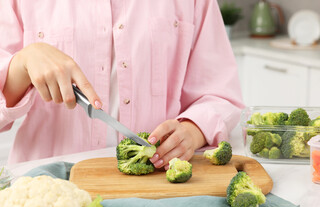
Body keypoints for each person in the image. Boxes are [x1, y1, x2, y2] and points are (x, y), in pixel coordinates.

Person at [0, 0, 244, 169]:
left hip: (157, 188)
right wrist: (22, 63)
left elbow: (220, 94)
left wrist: (193, 130)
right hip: (45, 188)